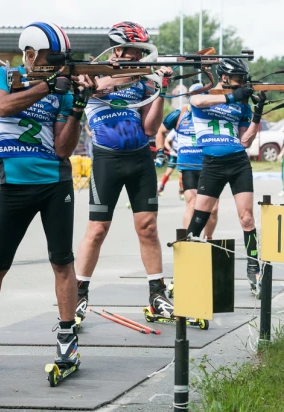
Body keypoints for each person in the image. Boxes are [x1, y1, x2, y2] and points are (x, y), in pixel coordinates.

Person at [0, 22, 93, 373]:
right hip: (12, 183)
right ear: (29, 54)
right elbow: (1, 107)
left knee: (62, 262)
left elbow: (63, 148)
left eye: (60, 60)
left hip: (54, 183)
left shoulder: (61, 88)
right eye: (50, 58)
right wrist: (48, 85)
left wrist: (77, 106)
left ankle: (66, 338)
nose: (57, 64)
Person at [74, 21, 174, 323]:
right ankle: (78, 294)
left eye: (142, 51)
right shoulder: (92, 72)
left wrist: (160, 89)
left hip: (140, 159)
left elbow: (150, 128)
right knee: (97, 230)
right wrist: (125, 74)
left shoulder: (143, 81)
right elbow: (98, 88)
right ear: (118, 48)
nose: (139, 55)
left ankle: (157, 293)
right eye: (135, 50)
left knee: (148, 227)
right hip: (107, 160)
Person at [184, 58, 265, 296]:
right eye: (238, 78)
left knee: (247, 218)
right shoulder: (205, 93)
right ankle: (187, 269)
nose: (242, 83)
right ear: (225, 78)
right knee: (198, 219)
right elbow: (195, 101)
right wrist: (232, 96)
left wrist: (256, 115)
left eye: (243, 79)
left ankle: (253, 268)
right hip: (212, 164)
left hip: (238, 161)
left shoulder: (241, 104)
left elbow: (246, 141)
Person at [156, 83, 219, 238]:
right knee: (192, 204)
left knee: (213, 209)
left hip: (209, 165)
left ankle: (208, 239)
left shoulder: (213, 113)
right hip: (188, 166)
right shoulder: (179, 114)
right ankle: (190, 241)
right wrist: (160, 152)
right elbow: (160, 132)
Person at [156, 129, 178, 196]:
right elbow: (166, 141)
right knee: (168, 172)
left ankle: (182, 190)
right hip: (174, 154)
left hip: (184, 155)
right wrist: (171, 150)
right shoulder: (174, 131)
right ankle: (161, 188)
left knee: (182, 173)